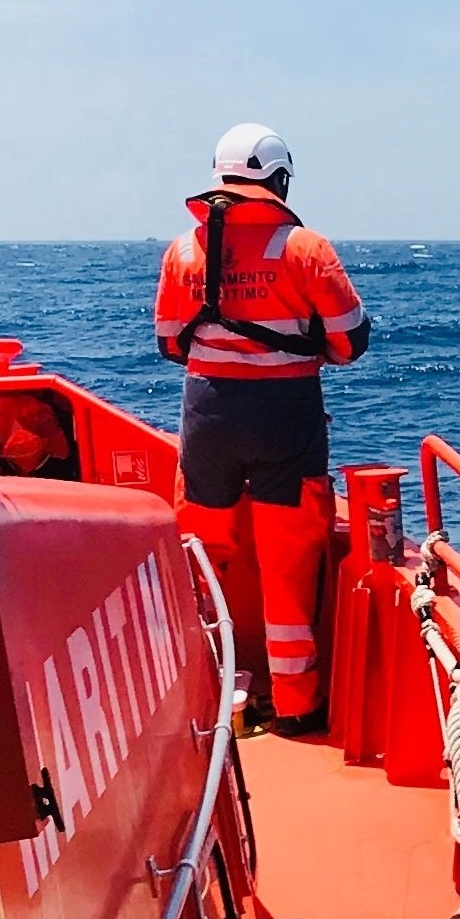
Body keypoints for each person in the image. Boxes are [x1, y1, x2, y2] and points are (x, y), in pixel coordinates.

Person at [153, 123, 369, 736]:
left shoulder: (183, 250)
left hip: (208, 416)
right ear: (278, 180)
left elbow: (171, 343)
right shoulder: (306, 248)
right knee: (288, 560)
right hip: (284, 419)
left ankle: (204, 691)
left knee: (201, 554)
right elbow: (350, 342)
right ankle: (297, 708)